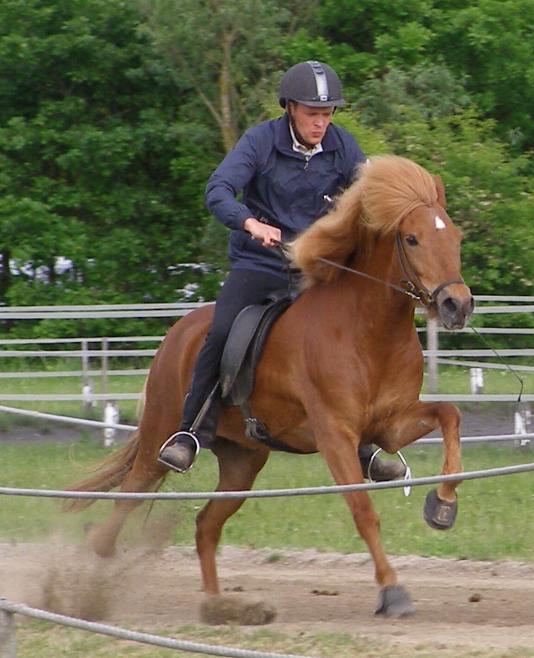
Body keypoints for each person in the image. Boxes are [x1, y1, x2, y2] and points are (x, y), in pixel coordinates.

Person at [158, 60, 406, 483]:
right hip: (260, 264)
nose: (321, 123)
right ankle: (189, 432)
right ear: (290, 107)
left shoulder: (343, 146)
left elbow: (372, 195)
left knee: (348, 338)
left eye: (327, 114)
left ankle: (363, 447)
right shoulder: (259, 142)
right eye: (313, 113)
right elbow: (217, 189)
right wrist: (248, 223)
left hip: (316, 271)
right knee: (219, 331)